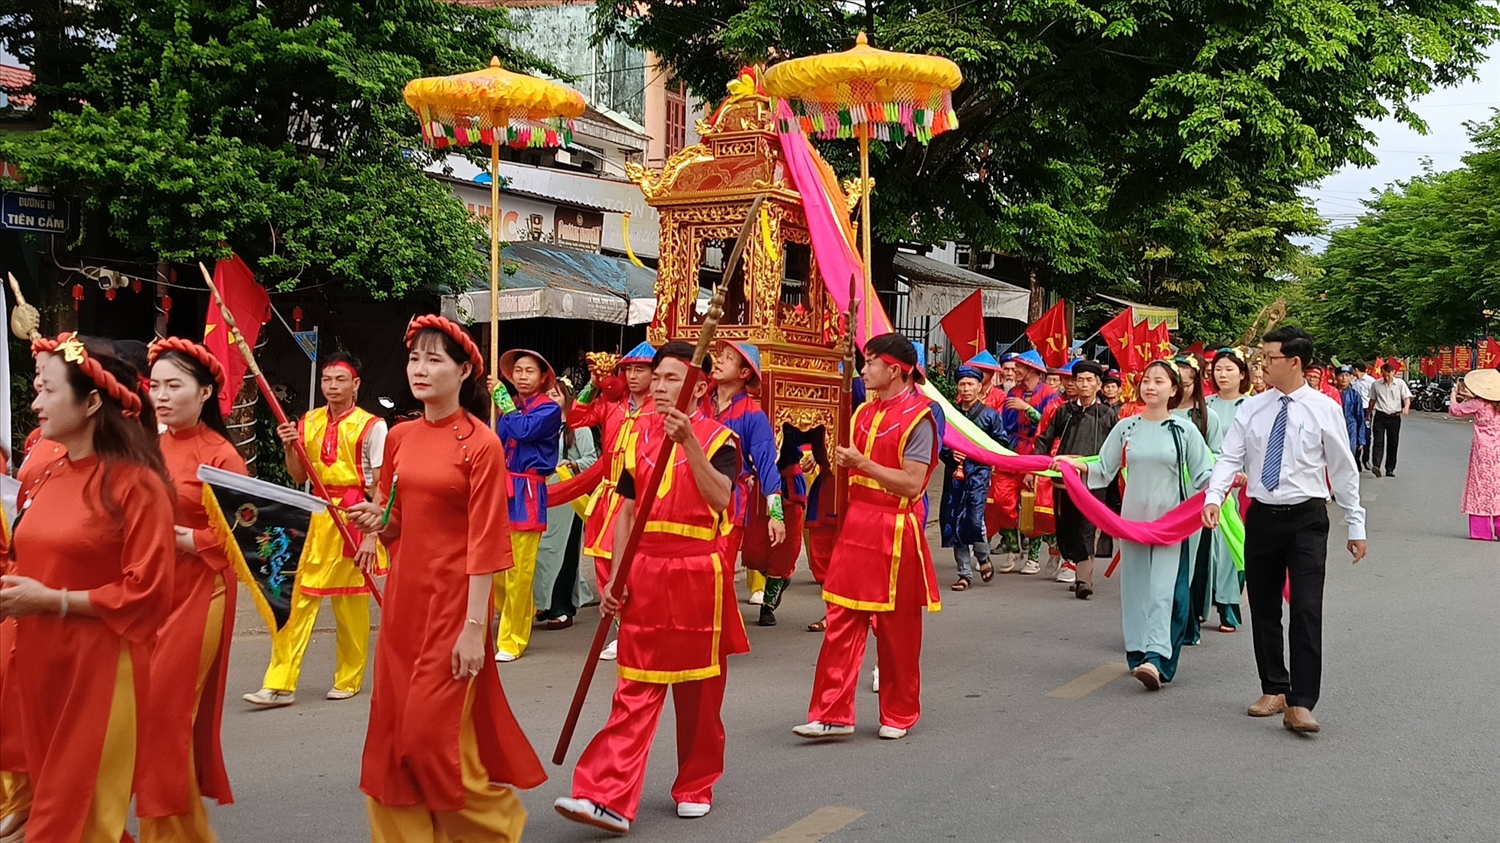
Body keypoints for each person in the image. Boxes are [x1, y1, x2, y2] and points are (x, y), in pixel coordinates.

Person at [348, 315, 545, 840]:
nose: (420, 368)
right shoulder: (399, 436)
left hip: (454, 606)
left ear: (463, 372)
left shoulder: (481, 444)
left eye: (434, 360)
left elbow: (486, 541)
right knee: (392, 735)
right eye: (415, 358)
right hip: (403, 605)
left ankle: (496, 826)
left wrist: (475, 628)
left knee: (427, 737)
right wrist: (375, 522)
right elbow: (396, 519)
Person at [554, 342, 748, 834]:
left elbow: (720, 499)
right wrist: (617, 577)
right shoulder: (636, 435)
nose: (659, 387)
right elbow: (625, 512)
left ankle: (696, 784)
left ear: (700, 387)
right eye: (656, 378)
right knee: (634, 687)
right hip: (645, 571)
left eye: (671, 379)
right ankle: (606, 795)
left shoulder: (720, 439)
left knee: (699, 690)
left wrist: (689, 444)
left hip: (698, 573)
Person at [1, 334, 175, 841]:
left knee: (77, 822)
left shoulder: (136, 485)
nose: (35, 403)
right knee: (69, 819)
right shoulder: (43, 473)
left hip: (101, 670)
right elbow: (25, 558)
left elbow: (149, 592)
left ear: (92, 401)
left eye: (47, 390)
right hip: (38, 668)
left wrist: (52, 601)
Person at [1203, 326, 1366, 734]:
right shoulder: (1253, 408)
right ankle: (1274, 686)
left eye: (1270, 358)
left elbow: (1342, 468)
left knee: (1306, 608)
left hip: (1307, 518)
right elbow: (1229, 457)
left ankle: (1302, 702)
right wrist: (1214, 496)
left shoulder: (1323, 408)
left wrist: (1356, 523)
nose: (1262, 365)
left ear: (1294, 362)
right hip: (1262, 516)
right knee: (1263, 606)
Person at [794, 333, 941, 741]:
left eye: (871, 362)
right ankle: (831, 712)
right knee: (841, 619)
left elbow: (912, 483)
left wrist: (862, 464)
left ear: (894, 370)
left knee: (897, 630)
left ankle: (900, 711)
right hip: (856, 526)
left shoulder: (920, 418)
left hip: (895, 529)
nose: (863, 369)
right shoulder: (861, 412)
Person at [137, 338, 248, 841]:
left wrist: (184, 537)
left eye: (174, 386)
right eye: (156, 386)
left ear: (205, 392)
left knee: (166, 713)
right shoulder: (148, 448)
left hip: (202, 592)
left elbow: (247, 538)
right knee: (147, 713)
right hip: (151, 593)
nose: (161, 396)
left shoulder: (221, 457)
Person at [1058, 360, 1213, 690]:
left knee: (1164, 591)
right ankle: (1139, 652)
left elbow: (1204, 474)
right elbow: (1103, 467)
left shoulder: (1184, 430)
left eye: (1159, 381)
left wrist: (1226, 483)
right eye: (1146, 380)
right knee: (1135, 589)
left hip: (1171, 522)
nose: (1150, 386)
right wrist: (1075, 466)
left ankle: (1157, 658)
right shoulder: (1126, 427)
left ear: (1174, 389)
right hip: (1133, 521)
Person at [245, 352, 385, 707]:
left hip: (354, 516)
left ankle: (349, 678)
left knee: (350, 608)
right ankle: (279, 683)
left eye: (340, 379)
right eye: (327, 379)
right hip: (316, 519)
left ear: (355, 384)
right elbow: (298, 476)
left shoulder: (372, 426)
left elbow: (381, 486)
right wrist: (289, 446)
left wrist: (372, 534)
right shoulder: (309, 421)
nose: (332, 386)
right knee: (296, 602)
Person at [570, 341, 656, 661]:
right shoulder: (612, 405)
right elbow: (576, 417)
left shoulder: (659, 409)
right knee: (604, 562)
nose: (632, 376)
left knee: (636, 566)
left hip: (640, 496)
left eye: (640, 370)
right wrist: (593, 385)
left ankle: (638, 628)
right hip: (608, 495)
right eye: (628, 369)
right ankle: (622, 628)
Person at [490, 349, 563, 662]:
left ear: (543, 376)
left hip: (528, 491)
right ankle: (522, 610)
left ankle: (513, 639)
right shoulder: (508, 406)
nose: (522, 376)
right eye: (518, 370)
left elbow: (523, 431)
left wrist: (502, 401)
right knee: (494, 566)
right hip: (500, 487)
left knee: (519, 570)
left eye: (529, 371)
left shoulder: (549, 409)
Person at [702, 342, 783, 607]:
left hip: (730, 503)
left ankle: (717, 626)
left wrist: (776, 515)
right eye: (719, 355)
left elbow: (767, 465)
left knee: (718, 572)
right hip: (692, 495)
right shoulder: (699, 402)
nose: (718, 361)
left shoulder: (752, 415)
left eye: (728, 358)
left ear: (744, 373)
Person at [1035, 360, 1116, 597]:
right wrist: (1035, 465)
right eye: (1080, 379)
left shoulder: (1107, 414)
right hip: (1065, 480)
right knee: (1067, 526)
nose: (1084, 384)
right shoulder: (1065, 411)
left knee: (1087, 527)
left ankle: (1084, 580)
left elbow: (1116, 448)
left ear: (1098, 385)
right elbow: (1045, 438)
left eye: (1090, 380)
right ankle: (1075, 565)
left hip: (1094, 480)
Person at [533, 380, 598, 629]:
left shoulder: (578, 426)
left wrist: (570, 465)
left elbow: (592, 460)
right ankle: (542, 602)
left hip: (569, 495)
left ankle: (561, 607)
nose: (551, 398)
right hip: (543, 493)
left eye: (556, 394)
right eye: (548, 394)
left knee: (563, 552)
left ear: (566, 398)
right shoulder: (540, 426)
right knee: (540, 550)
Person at [990, 350, 1061, 574]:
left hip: (1037, 452)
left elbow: (1050, 427)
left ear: (1032, 369)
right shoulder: (1014, 392)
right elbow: (1006, 423)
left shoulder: (1050, 395)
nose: (1014, 371)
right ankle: (1013, 546)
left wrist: (1028, 409)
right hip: (1013, 451)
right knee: (1000, 499)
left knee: (1034, 506)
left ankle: (1038, 555)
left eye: (1019, 367)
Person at [940, 366, 1005, 590]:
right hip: (955, 475)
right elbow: (939, 442)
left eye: (970, 384)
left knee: (975, 519)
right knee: (954, 521)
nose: (966, 389)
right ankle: (964, 573)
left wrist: (978, 452)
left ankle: (983, 555)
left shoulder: (990, 416)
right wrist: (950, 454)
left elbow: (1001, 444)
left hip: (978, 474)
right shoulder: (950, 416)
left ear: (979, 386)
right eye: (962, 384)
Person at [1202, 349, 1251, 633]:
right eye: (1218, 369)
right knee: (1206, 546)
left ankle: (1228, 606)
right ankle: (1199, 604)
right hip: (1205, 483)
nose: (1222, 374)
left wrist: (1247, 475)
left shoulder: (1252, 406)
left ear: (1242, 374)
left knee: (1231, 545)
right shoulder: (1204, 405)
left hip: (1239, 487)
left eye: (1229, 369)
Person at [743, 430, 813, 626]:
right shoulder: (756, 417)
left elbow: (822, 427)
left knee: (784, 549)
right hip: (762, 484)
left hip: (789, 484)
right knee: (752, 550)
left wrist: (818, 452)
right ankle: (778, 578)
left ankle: (768, 606)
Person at [1448, 369, 1500, 541]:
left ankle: (1482, 530)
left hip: (1482, 451)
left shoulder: (1478, 404)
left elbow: (1455, 410)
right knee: (1497, 488)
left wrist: (1453, 395)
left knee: (1480, 487)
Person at [1368, 363, 1412, 477]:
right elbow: (1372, 400)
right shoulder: (1376, 384)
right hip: (1380, 416)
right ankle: (1376, 465)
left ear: (1393, 373)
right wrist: (1368, 414)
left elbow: (1406, 398)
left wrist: (1406, 407)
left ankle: (1390, 468)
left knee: (1393, 443)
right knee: (1378, 441)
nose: (1386, 378)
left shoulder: (1400, 384)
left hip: (1394, 417)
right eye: (1384, 375)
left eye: (1388, 375)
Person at [1337, 367, 1368, 460]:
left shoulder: (1355, 395)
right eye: (1341, 375)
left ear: (1351, 377)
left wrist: (1361, 439)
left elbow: (1360, 417)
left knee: (1350, 455)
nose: (1344, 378)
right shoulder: (1331, 393)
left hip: (1351, 427)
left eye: (1347, 375)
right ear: (1336, 377)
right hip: (1335, 426)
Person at [1351, 362, 1376, 469]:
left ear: (1356, 369)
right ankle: (1356, 460)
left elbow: (1374, 397)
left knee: (1366, 435)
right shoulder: (1352, 382)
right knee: (1355, 434)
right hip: (1354, 410)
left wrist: (1370, 412)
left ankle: (1366, 459)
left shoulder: (1371, 381)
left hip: (1366, 410)